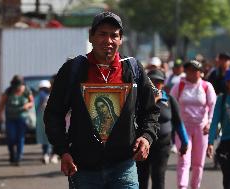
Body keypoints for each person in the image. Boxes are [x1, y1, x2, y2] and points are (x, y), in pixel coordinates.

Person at [44, 11, 159, 189]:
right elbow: (53, 114)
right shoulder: (72, 70)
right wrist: (63, 151)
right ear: (91, 37)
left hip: (124, 168)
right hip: (83, 169)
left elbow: (150, 111)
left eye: (114, 35)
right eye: (102, 34)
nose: (108, 41)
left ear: (121, 39)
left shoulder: (133, 69)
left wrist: (146, 137)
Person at [137, 69, 188, 189]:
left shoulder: (169, 100)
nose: (155, 84)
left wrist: (184, 142)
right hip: (142, 146)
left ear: (163, 83)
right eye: (152, 81)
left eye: (158, 81)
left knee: (158, 177)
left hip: (162, 147)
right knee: (141, 178)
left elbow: (178, 123)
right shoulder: (138, 100)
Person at [170, 60, 217, 189]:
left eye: (194, 70)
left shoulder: (206, 87)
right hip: (183, 129)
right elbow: (171, 103)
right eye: (188, 70)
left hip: (201, 129)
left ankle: (195, 186)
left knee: (198, 163)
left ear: (200, 72)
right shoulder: (179, 85)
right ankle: (182, 186)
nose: (191, 73)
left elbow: (213, 106)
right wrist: (173, 122)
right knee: (184, 160)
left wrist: (210, 122)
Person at [0, 75, 34, 166]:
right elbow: (1, 103)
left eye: (19, 87)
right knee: (11, 138)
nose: (17, 89)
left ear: (22, 85)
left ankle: (18, 157)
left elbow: (31, 102)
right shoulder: (8, 91)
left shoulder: (26, 91)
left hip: (22, 117)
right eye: (16, 86)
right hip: (10, 118)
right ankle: (12, 154)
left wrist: (27, 105)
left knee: (20, 137)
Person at [35, 80, 59, 164]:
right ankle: (53, 155)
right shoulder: (53, 95)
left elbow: (36, 109)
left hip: (42, 121)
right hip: (52, 120)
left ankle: (45, 154)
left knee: (44, 138)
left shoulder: (38, 97)